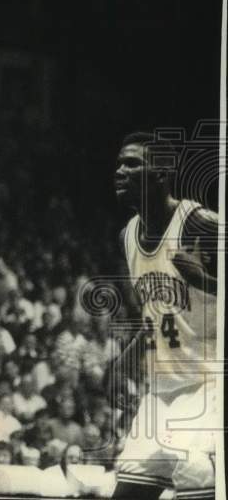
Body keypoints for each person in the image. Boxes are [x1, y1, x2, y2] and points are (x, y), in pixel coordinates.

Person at [110, 132, 218, 500]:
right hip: (162, 391)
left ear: (161, 173)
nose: (120, 171)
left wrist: (206, 280)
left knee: (197, 486)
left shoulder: (199, 224)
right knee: (127, 493)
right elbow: (157, 312)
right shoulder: (128, 236)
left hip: (209, 386)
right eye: (120, 163)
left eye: (133, 163)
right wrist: (130, 353)